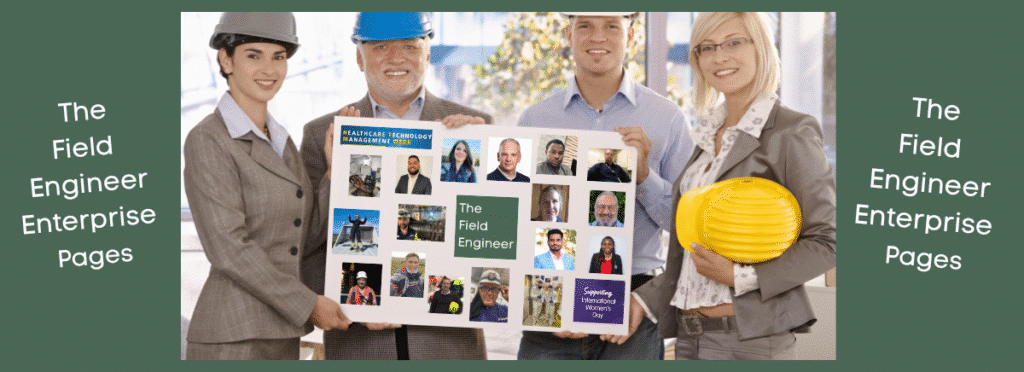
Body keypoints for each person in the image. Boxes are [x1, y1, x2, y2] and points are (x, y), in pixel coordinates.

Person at [624, 12, 836, 360]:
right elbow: (695, 250)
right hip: (690, 339)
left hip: (750, 342)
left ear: (761, 48)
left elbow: (828, 242)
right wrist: (643, 299)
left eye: (734, 42)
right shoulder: (705, 137)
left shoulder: (790, 131)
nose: (719, 57)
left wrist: (742, 276)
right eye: (707, 48)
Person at [300, 12, 492, 360]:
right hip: (361, 346)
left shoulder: (472, 129)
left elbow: (494, 236)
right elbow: (308, 245)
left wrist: (479, 158)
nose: (396, 58)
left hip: (449, 347)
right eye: (381, 47)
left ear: (428, 52)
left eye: (409, 46)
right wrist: (354, 306)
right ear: (359, 56)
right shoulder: (322, 134)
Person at [516, 11, 693, 361]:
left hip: (633, 304)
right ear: (569, 34)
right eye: (585, 25)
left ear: (630, 36)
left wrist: (643, 176)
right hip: (551, 290)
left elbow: (689, 226)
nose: (598, 37)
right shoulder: (535, 119)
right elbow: (518, 219)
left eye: (611, 25)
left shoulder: (667, 118)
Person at [183, 12, 350, 360]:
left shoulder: (282, 143)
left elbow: (306, 236)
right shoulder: (208, 139)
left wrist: (335, 171)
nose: (269, 69)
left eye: (279, 57)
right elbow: (229, 247)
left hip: (282, 333)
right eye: (253, 55)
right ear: (225, 59)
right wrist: (308, 304)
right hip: (233, 336)